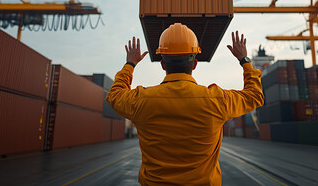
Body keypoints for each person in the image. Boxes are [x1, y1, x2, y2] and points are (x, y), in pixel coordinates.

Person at [107, 23, 264, 185]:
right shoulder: (217, 100)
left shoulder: (141, 100)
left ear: (163, 64)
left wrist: (130, 64)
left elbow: (114, 95)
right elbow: (255, 96)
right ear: (194, 63)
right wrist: (244, 60)